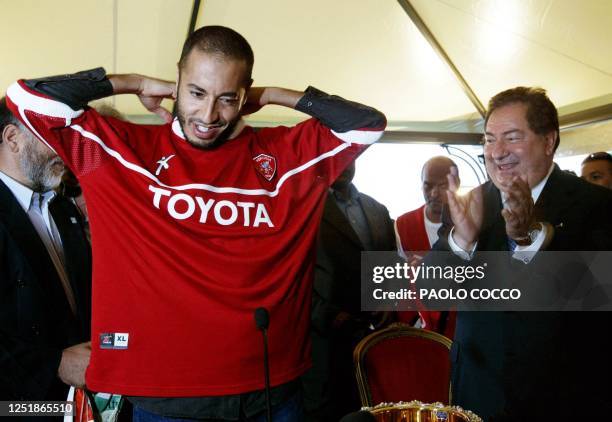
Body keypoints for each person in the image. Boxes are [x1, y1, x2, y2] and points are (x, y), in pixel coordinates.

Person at [5, 26, 386, 420]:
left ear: (245, 92)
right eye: (196, 92)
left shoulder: (285, 155)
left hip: (269, 396)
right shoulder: (120, 150)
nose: (208, 116)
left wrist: (272, 95)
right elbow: (26, 99)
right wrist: (130, 83)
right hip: (164, 402)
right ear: (177, 81)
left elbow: (367, 124)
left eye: (226, 98)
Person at [435, 86, 612, 421]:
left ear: (549, 141)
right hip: (477, 395)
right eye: (488, 139)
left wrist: (530, 239)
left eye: (512, 137)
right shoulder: (470, 203)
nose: (497, 152)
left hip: (564, 396)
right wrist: (461, 240)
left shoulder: (597, 206)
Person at [0, 98, 92, 402]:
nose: (64, 150)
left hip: (70, 402)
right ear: (12, 139)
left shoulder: (63, 209)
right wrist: (56, 364)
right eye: (52, 137)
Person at [303, 162, 395, 421]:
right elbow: (291, 275)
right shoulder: (304, 207)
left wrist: (389, 300)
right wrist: (326, 314)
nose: (344, 163)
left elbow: (390, 266)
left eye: (350, 156)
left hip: (372, 344)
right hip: (322, 346)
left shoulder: (377, 209)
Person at [394, 156, 457, 337]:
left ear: (456, 183)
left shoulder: (472, 220)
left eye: (442, 185)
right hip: (420, 328)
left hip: (462, 325)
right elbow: (399, 282)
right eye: (428, 186)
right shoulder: (403, 224)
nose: (434, 193)